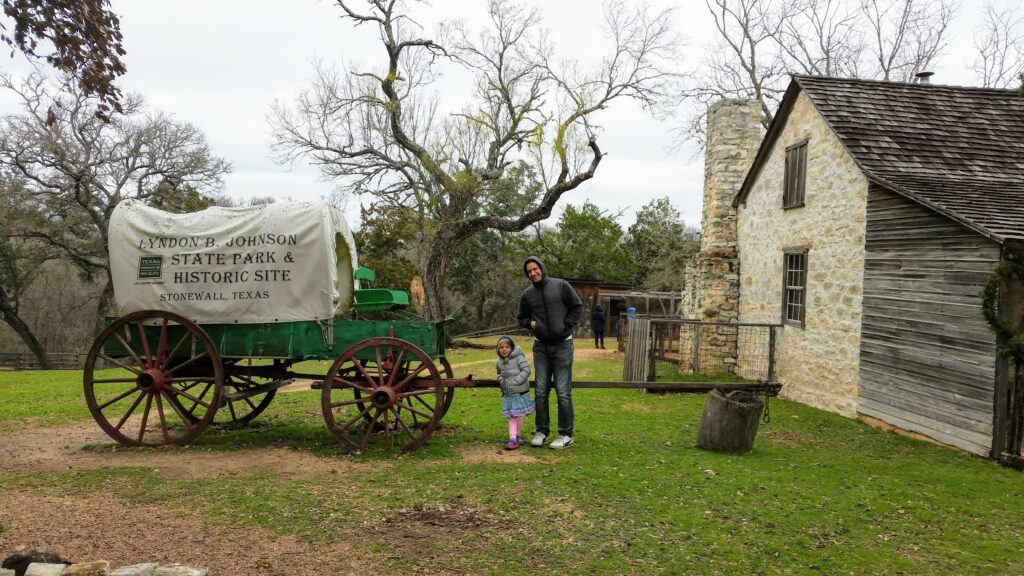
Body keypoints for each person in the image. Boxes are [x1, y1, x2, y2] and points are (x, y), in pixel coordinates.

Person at [517, 256, 583, 449]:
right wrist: (530, 323)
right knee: (540, 391)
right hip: (541, 347)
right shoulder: (528, 294)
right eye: (529, 271)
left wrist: (565, 325)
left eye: (535, 269)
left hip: (563, 345)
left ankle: (565, 434)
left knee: (563, 392)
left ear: (542, 268)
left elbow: (577, 306)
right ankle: (542, 431)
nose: (533, 273)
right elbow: (521, 317)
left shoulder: (561, 286)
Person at [496, 335, 534, 450]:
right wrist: (500, 380)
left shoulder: (518, 358)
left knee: (517, 415)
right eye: (501, 347)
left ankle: (514, 438)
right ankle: (515, 437)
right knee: (514, 415)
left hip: (520, 392)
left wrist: (517, 381)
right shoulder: (499, 362)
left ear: (511, 348)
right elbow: (498, 373)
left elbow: (527, 370)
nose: (504, 349)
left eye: (507, 347)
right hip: (509, 394)